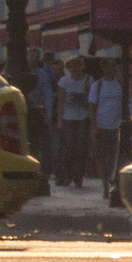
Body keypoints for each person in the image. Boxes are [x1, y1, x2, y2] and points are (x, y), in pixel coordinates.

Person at [88, 58, 124, 196]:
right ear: (104, 68)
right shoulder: (97, 86)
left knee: (114, 156)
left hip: (116, 126)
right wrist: (94, 126)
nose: (114, 69)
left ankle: (112, 180)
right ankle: (105, 185)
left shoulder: (120, 84)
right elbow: (92, 106)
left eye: (115, 66)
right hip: (101, 125)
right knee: (99, 156)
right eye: (111, 66)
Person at [56, 53, 91, 187]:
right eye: (72, 65)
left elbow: (91, 99)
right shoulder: (65, 81)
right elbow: (61, 101)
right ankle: (67, 175)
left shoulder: (88, 80)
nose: (74, 68)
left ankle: (78, 177)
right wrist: (60, 120)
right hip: (68, 117)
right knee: (69, 147)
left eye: (77, 65)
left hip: (83, 117)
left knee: (81, 148)